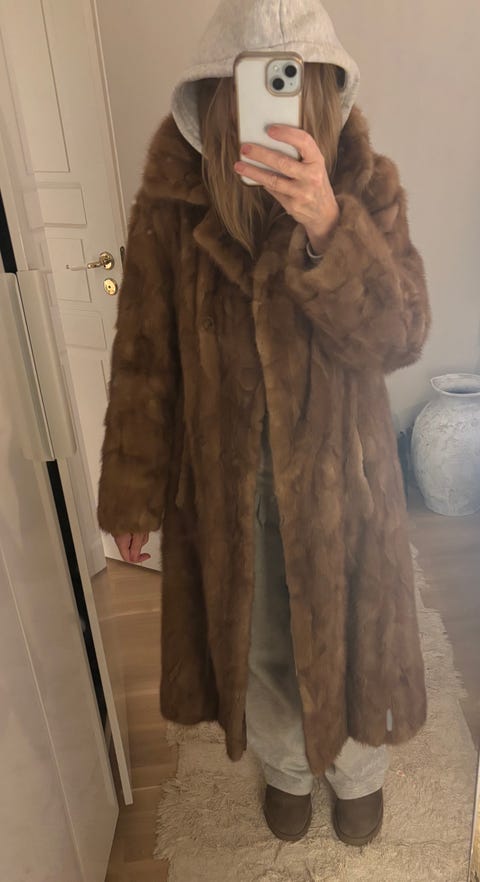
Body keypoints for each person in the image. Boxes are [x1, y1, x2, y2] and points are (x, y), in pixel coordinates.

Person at [97, 0, 430, 847]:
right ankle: (285, 766)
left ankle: (357, 772)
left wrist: (330, 227)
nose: (272, 102)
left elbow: (401, 336)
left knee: (351, 634)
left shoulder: (364, 183)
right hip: (226, 478)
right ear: (218, 92)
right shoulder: (175, 199)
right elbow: (145, 353)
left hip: (343, 480)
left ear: (318, 89)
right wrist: (133, 494)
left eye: (291, 82)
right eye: (252, 83)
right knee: (262, 641)